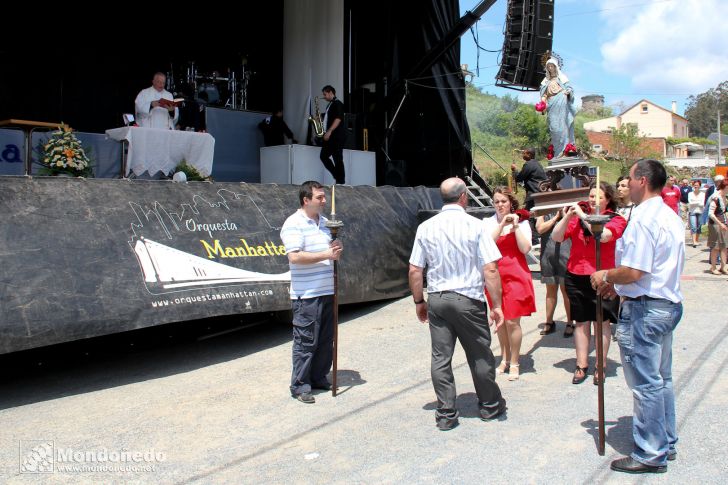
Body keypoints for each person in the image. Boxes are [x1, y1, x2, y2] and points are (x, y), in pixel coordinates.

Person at [590, 159, 685, 474]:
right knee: (662, 379)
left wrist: (606, 275)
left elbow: (636, 270)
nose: (626, 185)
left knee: (646, 384)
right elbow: (653, 270)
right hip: (663, 303)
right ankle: (666, 441)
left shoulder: (643, 218)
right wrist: (618, 287)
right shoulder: (669, 215)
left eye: (629, 179)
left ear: (642, 180)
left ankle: (651, 452)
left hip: (645, 310)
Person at [409, 177, 506, 431]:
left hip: (438, 299)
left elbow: (415, 269)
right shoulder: (476, 226)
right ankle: (489, 405)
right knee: (479, 354)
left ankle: (446, 413)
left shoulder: (426, 227)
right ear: (464, 197)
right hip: (468, 299)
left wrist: (419, 301)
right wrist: (497, 305)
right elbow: (491, 269)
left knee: (441, 357)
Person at [551, 182, 627, 385]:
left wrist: (584, 217)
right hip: (576, 275)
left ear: (608, 199)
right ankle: (581, 364)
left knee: (601, 323)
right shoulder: (577, 219)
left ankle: (600, 366)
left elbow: (602, 236)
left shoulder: (616, 219)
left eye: (598, 197)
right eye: (591, 196)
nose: (593, 200)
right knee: (581, 322)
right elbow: (556, 236)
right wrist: (568, 215)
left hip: (602, 277)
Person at [280, 181, 343, 404]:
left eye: (324, 197)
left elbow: (331, 251)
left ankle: (318, 377)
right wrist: (327, 254)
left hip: (327, 290)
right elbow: (294, 257)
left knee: (326, 339)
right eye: (319, 197)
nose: (324, 201)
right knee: (306, 341)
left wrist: (335, 250)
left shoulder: (326, 223)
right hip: (306, 294)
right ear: (306, 200)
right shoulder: (293, 223)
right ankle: (300, 384)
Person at [483, 188, 537, 381]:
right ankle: (504, 358)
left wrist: (514, 227)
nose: (500, 205)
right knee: (501, 321)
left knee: (513, 321)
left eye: (503, 201)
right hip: (495, 276)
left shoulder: (522, 223)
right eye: (496, 202)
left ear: (511, 203)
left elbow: (525, 248)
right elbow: (487, 243)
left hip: (516, 274)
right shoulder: (488, 223)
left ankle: (515, 361)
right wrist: (501, 225)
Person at [535, 211, 574, 337]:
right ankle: (549, 321)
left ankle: (570, 322)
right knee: (550, 290)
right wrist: (555, 217)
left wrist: (564, 214)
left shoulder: (569, 211)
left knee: (566, 291)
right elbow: (540, 228)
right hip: (548, 255)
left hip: (566, 254)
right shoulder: (543, 210)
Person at [539, 58, 576, 159]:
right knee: (554, 128)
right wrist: (542, 103)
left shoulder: (562, 78)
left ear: (556, 67)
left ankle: (565, 150)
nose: (550, 68)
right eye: (548, 67)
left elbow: (570, 89)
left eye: (552, 66)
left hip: (561, 101)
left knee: (562, 126)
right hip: (551, 104)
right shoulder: (545, 81)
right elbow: (544, 94)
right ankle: (557, 151)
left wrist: (568, 92)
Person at [319, 85, 346, 184]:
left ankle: (341, 180)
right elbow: (330, 119)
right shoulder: (329, 105)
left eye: (325, 94)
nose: (324, 96)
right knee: (323, 156)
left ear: (330, 92)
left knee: (337, 158)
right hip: (331, 136)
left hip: (337, 136)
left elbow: (338, 119)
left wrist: (329, 131)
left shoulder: (338, 104)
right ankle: (338, 177)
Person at [706, 179, 728, 275]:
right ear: (725, 187)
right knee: (715, 247)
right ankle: (713, 267)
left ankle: (723, 267)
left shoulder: (725, 197)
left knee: (724, 246)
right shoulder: (716, 197)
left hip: (724, 224)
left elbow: (724, 211)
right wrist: (720, 224)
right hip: (715, 225)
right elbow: (711, 214)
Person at [687, 179, 705, 248]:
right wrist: (698, 202)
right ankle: (694, 241)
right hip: (692, 212)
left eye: (697, 185)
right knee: (693, 227)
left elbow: (702, 204)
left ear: (700, 186)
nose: (696, 186)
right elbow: (690, 203)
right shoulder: (690, 194)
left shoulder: (703, 194)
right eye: (694, 185)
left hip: (700, 212)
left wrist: (695, 202)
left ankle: (696, 240)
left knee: (699, 227)